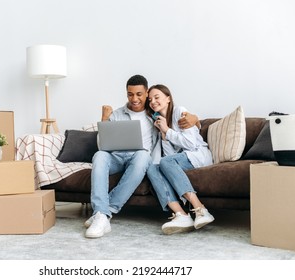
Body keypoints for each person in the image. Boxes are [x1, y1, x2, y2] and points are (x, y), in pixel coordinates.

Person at [84, 75, 199, 238]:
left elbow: (179, 116)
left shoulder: (154, 114)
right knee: (100, 155)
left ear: (146, 93)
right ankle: (102, 214)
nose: (134, 98)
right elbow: (103, 145)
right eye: (130, 94)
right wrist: (104, 121)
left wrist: (195, 118)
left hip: (139, 158)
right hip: (116, 157)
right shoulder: (117, 114)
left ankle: (102, 214)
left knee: (143, 156)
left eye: (139, 94)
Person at [146, 84, 214, 235]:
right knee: (152, 167)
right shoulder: (161, 122)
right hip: (180, 160)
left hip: (197, 154)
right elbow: (169, 156)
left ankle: (200, 209)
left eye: (157, 97)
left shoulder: (180, 112)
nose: (153, 102)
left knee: (164, 162)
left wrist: (167, 131)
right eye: (150, 99)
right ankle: (181, 215)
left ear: (168, 98)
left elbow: (190, 144)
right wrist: (163, 135)